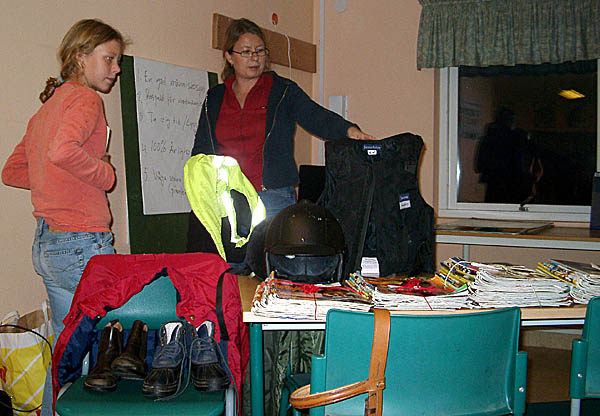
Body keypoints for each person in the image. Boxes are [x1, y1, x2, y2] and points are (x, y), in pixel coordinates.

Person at [1, 18, 128, 415]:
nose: (116, 69)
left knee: (67, 347)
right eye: (109, 59)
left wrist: (53, 179)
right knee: (105, 344)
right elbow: (62, 151)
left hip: (48, 244)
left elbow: (13, 171)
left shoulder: (46, 110)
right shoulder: (86, 99)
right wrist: (105, 172)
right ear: (80, 57)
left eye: (118, 61)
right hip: (79, 242)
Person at [190, 17, 377, 219]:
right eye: (246, 52)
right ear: (229, 56)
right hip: (225, 197)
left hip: (272, 197)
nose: (254, 58)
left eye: (259, 51)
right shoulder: (215, 97)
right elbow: (202, 149)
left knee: (272, 242)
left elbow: (315, 116)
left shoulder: (282, 90)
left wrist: (349, 131)